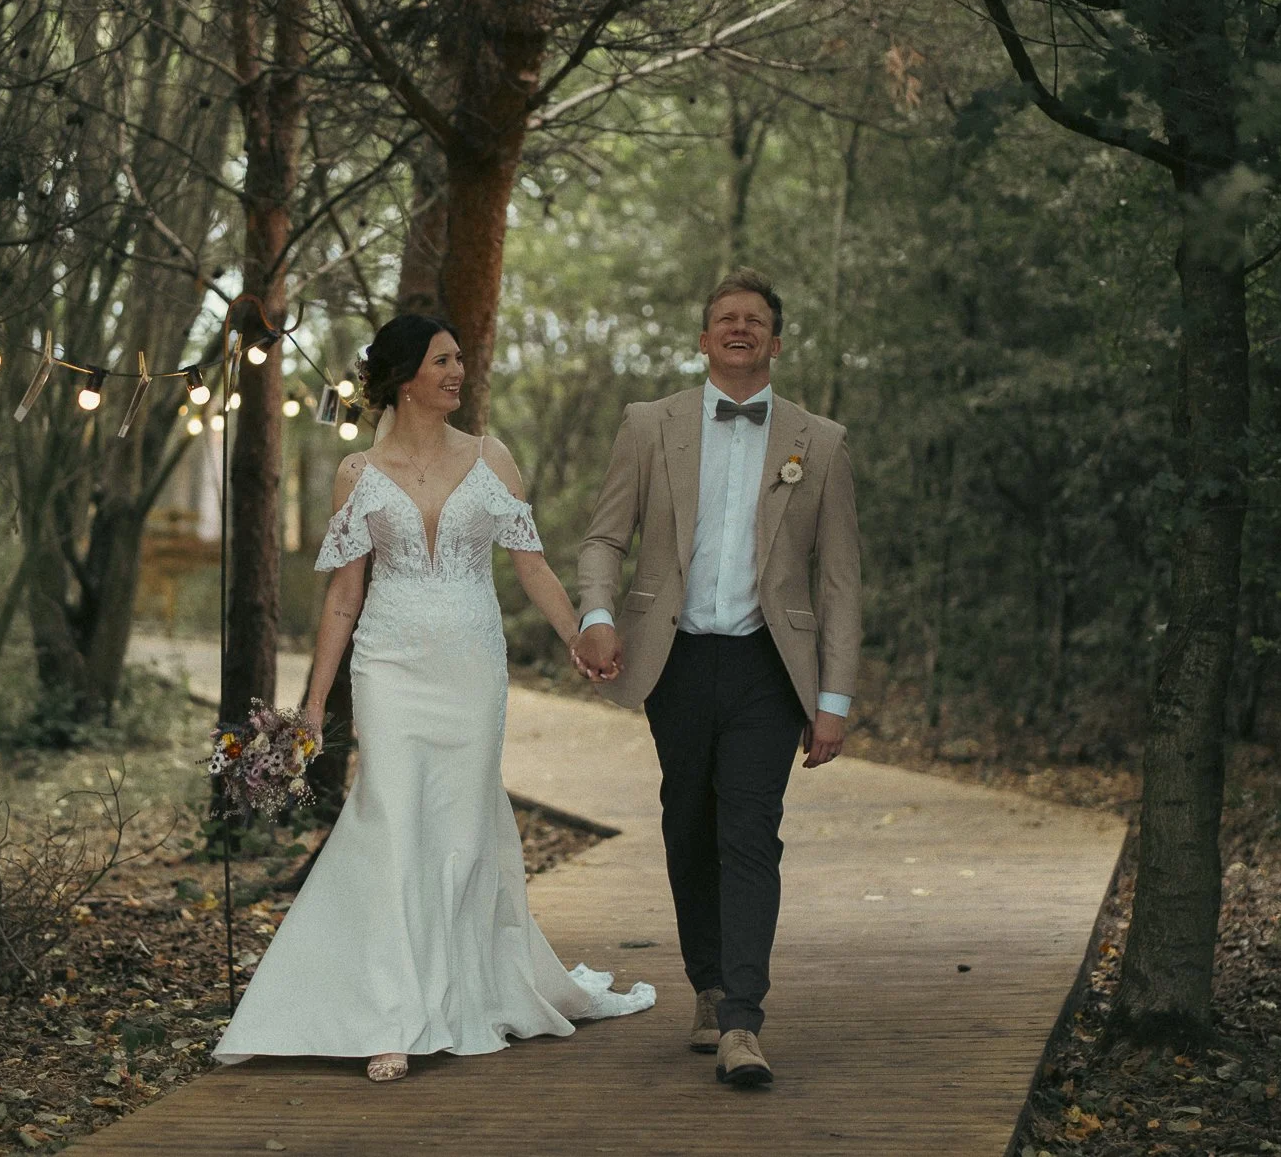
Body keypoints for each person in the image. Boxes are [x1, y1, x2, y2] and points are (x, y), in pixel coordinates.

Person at [213, 313, 653, 1082]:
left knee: (460, 822)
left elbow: (533, 567)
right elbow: (344, 596)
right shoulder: (357, 472)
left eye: (459, 360)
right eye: (444, 360)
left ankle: (460, 992)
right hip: (387, 664)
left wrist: (581, 633)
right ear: (407, 373)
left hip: (471, 666)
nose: (458, 372)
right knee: (390, 817)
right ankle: (393, 1014)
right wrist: (314, 702)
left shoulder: (492, 457)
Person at [573, 268, 861, 1088]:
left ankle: (742, 1018)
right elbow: (603, 539)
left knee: (749, 831)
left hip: (771, 668)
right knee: (687, 824)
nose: (741, 328)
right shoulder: (647, 424)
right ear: (704, 340)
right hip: (678, 659)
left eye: (757, 319)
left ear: (775, 340)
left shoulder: (821, 441)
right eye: (726, 318)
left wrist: (833, 700)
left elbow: (840, 580)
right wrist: (597, 613)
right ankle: (707, 980)